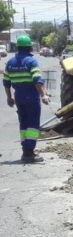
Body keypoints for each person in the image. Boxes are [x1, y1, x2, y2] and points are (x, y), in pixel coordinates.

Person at [3, 35, 50, 163]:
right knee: (33, 125)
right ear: (29, 47)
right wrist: (43, 95)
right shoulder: (31, 61)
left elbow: (6, 82)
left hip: (19, 97)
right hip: (31, 97)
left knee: (23, 124)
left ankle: (26, 150)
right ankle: (29, 153)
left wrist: (9, 97)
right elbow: (37, 81)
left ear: (18, 47)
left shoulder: (10, 62)